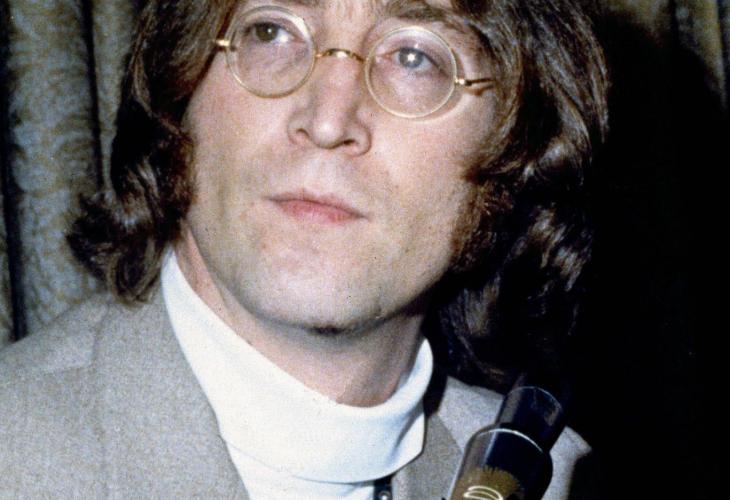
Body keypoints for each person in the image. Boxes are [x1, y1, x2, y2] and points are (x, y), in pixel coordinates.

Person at [0, 0, 608, 498]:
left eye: (414, 57)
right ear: (178, 99)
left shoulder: (554, 478)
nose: (327, 120)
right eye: (271, 32)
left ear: (519, 152)